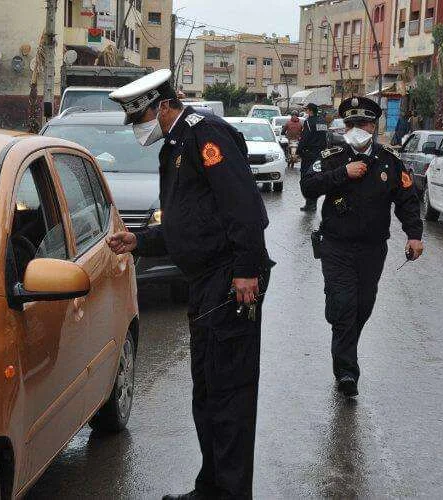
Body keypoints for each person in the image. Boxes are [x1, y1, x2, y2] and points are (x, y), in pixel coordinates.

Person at [107, 69, 273, 500]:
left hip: (229, 281)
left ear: (162, 106)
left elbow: (244, 209)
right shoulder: (178, 145)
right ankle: (212, 487)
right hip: (206, 282)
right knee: (208, 392)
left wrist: (245, 271)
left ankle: (231, 493)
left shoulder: (207, 136)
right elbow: (190, 223)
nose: (136, 128)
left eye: (138, 117)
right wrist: (139, 241)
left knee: (230, 396)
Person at [301, 96, 424, 398]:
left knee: (362, 307)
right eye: (352, 123)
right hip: (336, 247)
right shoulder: (331, 156)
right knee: (343, 306)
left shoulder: (389, 161)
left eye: (364, 123)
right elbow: (308, 186)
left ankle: (345, 347)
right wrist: (344, 172)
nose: (357, 128)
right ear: (344, 126)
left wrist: (414, 234)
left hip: (372, 249)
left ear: (374, 125)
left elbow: (407, 201)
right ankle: (346, 372)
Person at [297, 103, 329, 212]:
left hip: (309, 154)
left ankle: (310, 203)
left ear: (310, 111)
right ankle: (313, 204)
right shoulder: (323, 122)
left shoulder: (309, 122)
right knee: (316, 178)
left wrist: (299, 150)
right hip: (320, 154)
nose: (306, 112)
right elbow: (326, 138)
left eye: (307, 110)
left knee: (306, 178)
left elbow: (305, 138)